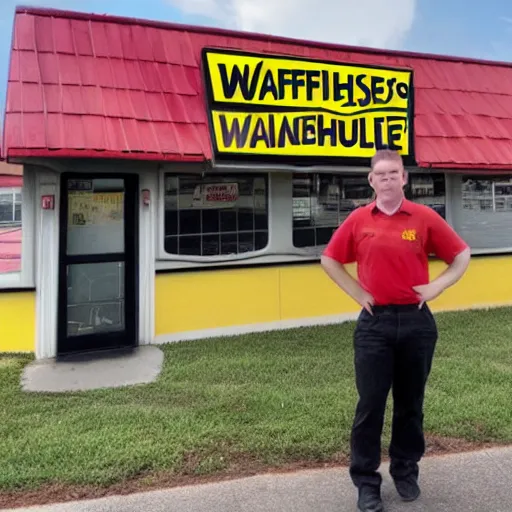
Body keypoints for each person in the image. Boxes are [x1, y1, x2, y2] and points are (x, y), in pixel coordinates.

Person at [321, 149, 470, 512]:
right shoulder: (359, 219)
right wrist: (358, 293)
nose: (387, 179)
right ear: (371, 181)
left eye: (394, 173)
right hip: (375, 325)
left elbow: (461, 256)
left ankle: (406, 470)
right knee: (370, 405)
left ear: (404, 178)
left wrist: (437, 287)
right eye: (380, 174)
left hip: (417, 323)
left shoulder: (423, 217)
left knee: (410, 404)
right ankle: (366, 482)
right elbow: (329, 259)